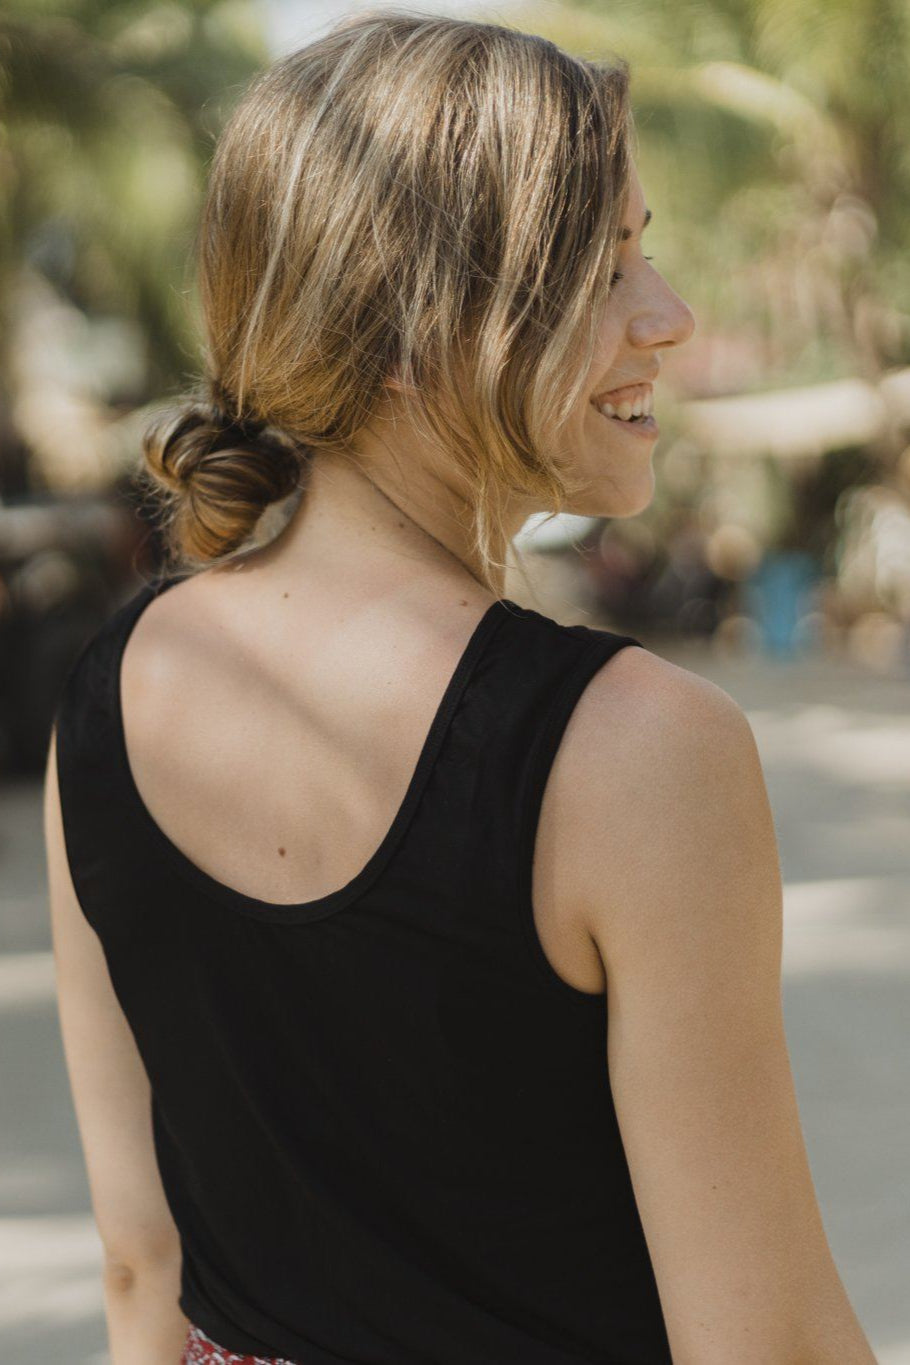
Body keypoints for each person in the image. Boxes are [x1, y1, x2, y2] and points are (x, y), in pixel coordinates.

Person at [43, 11, 878, 1365]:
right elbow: (765, 1341)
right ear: (414, 332)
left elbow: (142, 1265)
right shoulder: (635, 749)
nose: (665, 318)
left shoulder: (107, 695)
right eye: (603, 270)